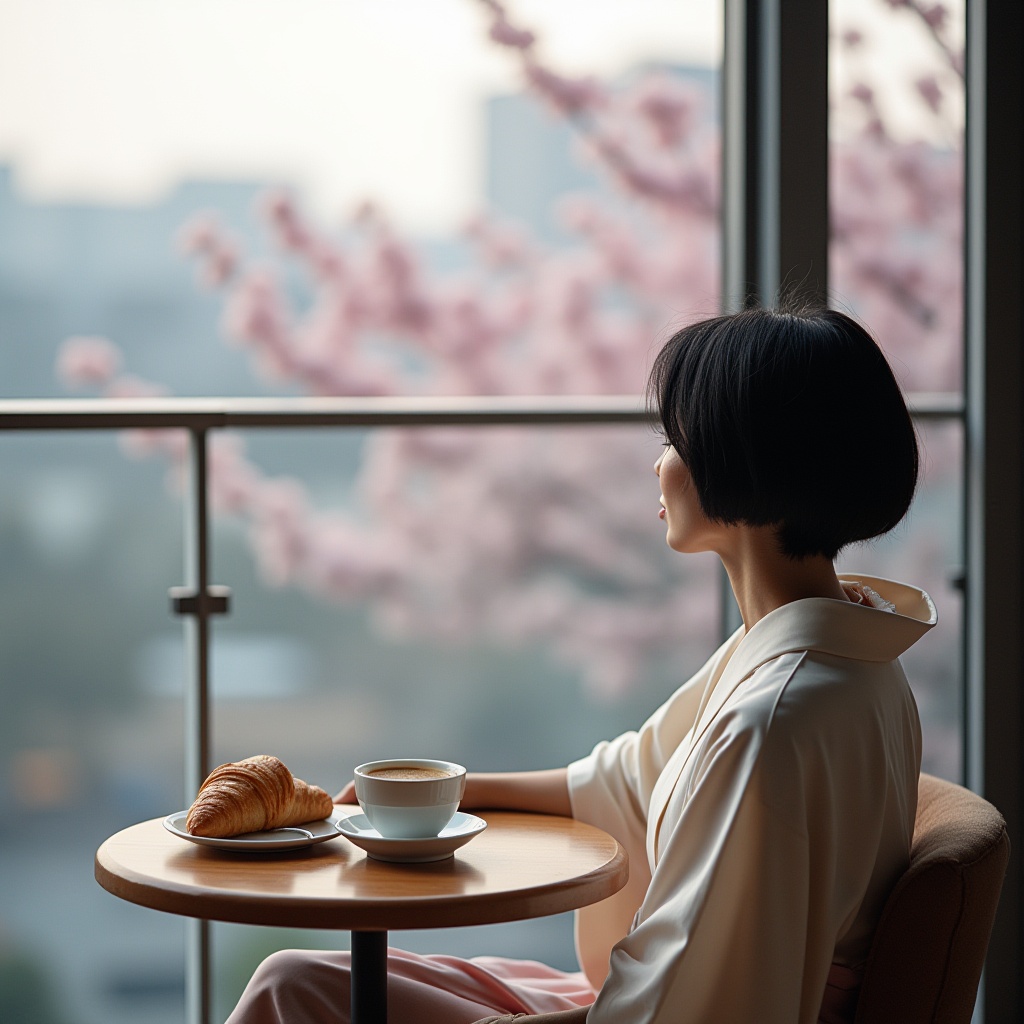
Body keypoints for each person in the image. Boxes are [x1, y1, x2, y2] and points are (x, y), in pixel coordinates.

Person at [227, 305, 936, 1024]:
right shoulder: (841, 649)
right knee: (295, 981)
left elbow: (691, 1002)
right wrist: (450, 790)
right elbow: (628, 779)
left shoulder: (774, 717)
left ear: (738, 459)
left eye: (674, 438)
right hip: (675, 995)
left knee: (294, 993)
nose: (656, 465)